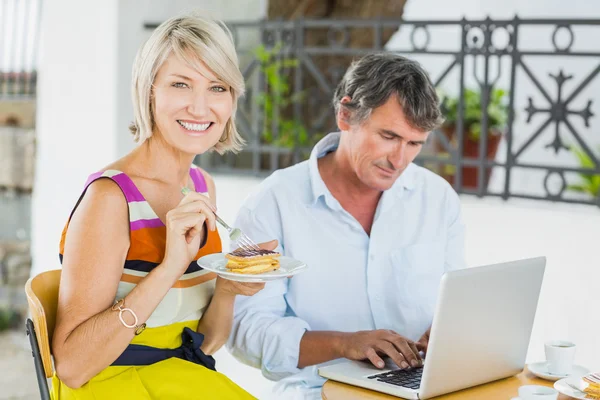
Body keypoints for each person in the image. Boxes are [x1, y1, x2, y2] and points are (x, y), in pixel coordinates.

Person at [51, 12, 270, 399]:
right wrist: (169, 266)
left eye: (217, 88)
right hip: (110, 386)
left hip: (177, 380)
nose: (201, 108)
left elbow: (202, 344)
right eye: (181, 84)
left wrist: (229, 287)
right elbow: (72, 366)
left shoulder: (202, 187)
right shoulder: (110, 199)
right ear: (149, 91)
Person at [227, 53, 466, 399]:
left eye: (415, 144)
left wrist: (448, 332)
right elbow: (247, 332)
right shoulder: (273, 204)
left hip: (421, 387)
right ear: (345, 115)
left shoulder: (437, 198)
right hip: (317, 389)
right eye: (388, 136)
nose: (400, 160)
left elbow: (455, 301)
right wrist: (344, 343)